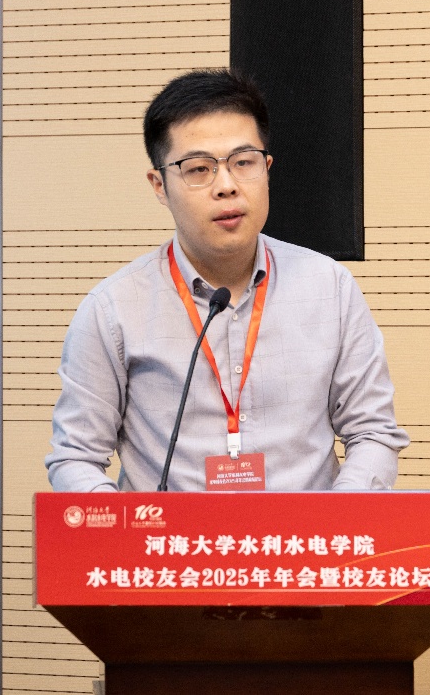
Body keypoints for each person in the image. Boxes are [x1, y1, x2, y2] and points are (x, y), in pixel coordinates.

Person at [45, 68, 409, 492]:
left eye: (243, 162)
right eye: (198, 168)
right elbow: (76, 457)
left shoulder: (330, 288)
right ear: (159, 185)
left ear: (267, 168)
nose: (226, 186)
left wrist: (334, 521)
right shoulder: (113, 309)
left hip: (303, 535)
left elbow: (373, 432)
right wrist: (130, 524)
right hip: (173, 535)